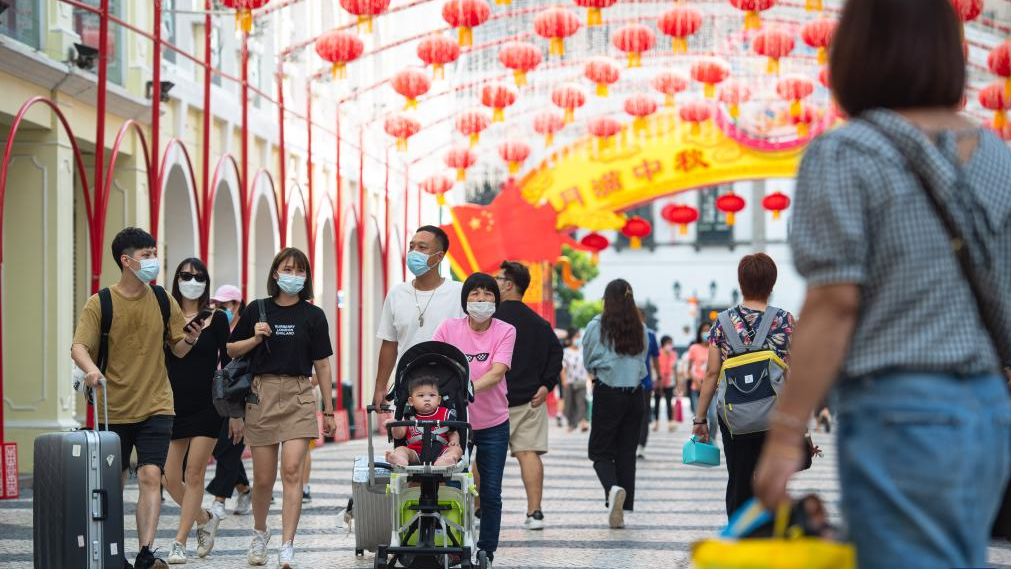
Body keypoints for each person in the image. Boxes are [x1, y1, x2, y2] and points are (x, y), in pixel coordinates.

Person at [753, 1, 1011, 567]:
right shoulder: (999, 157)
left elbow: (834, 304)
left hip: (899, 408)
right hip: (990, 410)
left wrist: (784, 435)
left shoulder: (847, 152)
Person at [70, 227, 200, 569]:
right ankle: (112, 550)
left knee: (150, 475)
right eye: (146, 255)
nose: (153, 260)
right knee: (113, 481)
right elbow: (79, 347)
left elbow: (178, 349)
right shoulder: (101, 303)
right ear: (126, 261)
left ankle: (145, 553)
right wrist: (91, 370)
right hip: (113, 409)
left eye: (154, 253)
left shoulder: (161, 299)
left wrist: (191, 338)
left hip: (157, 403)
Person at [227, 247, 337, 568]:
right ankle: (260, 533)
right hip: (261, 394)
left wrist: (329, 411)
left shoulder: (312, 315)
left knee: (291, 471)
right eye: (288, 269)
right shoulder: (256, 309)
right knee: (262, 479)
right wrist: (255, 339)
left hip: (300, 394)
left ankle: (287, 545)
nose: (293, 276)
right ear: (276, 273)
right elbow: (232, 349)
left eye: (300, 271)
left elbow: (323, 365)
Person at [693, 253, 795, 517]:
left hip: (733, 417)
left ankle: (740, 541)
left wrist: (700, 419)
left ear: (741, 284)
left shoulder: (722, 324)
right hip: (776, 416)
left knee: (738, 479)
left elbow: (711, 373)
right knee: (774, 482)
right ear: (772, 285)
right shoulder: (785, 321)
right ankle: (770, 539)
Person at [433, 273, 516, 568]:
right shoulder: (448, 328)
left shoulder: (505, 331)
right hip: (457, 424)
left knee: (490, 491)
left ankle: (485, 550)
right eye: (475, 294)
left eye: (488, 294)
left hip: (494, 422)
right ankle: (455, 544)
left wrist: (464, 388)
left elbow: (497, 371)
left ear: (496, 299)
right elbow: (436, 363)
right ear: (465, 300)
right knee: (453, 484)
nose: (481, 300)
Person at [162, 258, 233, 564]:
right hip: (171, 404)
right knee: (167, 476)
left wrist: (235, 411)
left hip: (207, 405)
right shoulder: (165, 314)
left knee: (194, 473)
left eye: (199, 276)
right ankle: (204, 518)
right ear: (176, 278)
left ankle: (179, 542)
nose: (192, 280)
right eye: (186, 275)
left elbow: (229, 363)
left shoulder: (217, 319)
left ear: (206, 281)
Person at [492, 261, 562, 531]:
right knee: (528, 453)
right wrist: (546, 385)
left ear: (509, 284)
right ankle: (535, 513)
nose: (494, 284)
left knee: (485, 455)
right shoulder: (539, 324)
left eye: (498, 279)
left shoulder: (490, 320)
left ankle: (477, 511)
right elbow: (556, 353)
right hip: (530, 400)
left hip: (492, 400)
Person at [373, 226, 465, 412]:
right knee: (408, 441)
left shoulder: (459, 293)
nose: (414, 252)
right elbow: (389, 344)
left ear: (439, 256)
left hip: (450, 384)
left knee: (450, 439)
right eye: (411, 246)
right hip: (409, 386)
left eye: (422, 247)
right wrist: (380, 387)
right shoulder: (397, 293)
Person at [581, 279, 648, 529]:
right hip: (635, 395)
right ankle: (620, 508)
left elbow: (588, 360)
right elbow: (643, 365)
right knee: (625, 453)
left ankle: (612, 490)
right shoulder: (639, 327)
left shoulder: (596, 326)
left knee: (599, 451)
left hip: (608, 393)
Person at [206, 285, 252, 518]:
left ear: (236, 305)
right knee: (221, 446)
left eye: (224, 306)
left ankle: (219, 500)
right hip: (215, 394)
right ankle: (244, 489)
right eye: (216, 305)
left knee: (231, 445)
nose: (219, 309)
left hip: (239, 395)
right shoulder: (214, 324)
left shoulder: (245, 328)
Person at [384, 376, 464, 467]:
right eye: (421, 395)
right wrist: (395, 425)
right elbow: (399, 435)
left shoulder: (445, 413)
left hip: (441, 450)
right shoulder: (409, 416)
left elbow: (452, 431)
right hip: (415, 452)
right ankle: (400, 458)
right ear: (411, 401)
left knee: (457, 449)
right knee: (401, 449)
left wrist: (454, 441)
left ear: (439, 400)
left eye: (432, 395)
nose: (427, 399)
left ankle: (446, 460)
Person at [684, 322, 717, 439]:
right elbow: (688, 369)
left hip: (712, 388)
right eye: (704, 330)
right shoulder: (694, 348)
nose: (706, 332)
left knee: (713, 416)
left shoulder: (715, 347)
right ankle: (699, 440)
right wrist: (695, 380)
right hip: (696, 388)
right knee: (699, 417)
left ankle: (711, 439)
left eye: (708, 330)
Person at [636, 312, 660, 459]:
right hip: (628, 381)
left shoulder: (650, 335)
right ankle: (633, 444)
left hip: (644, 381)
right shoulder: (625, 331)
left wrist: (659, 376)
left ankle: (641, 445)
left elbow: (655, 357)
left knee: (643, 415)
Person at [561, 330, 589, 433]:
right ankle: (571, 423)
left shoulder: (583, 351)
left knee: (581, 402)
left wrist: (591, 380)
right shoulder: (566, 351)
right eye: (575, 337)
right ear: (571, 339)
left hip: (582, 381)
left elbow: (587, 366)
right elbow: (563, 368)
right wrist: (564, 380)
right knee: (569, 403)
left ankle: (583, 422)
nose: (577, 339)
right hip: (569, 381)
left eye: (579, 337)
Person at [652, 336, 678, 432]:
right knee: (657, 402)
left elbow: (674, 369)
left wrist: (677, 383)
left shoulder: (674, 354)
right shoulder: (658, 353)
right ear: (663, 343)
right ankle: (656, 422)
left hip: (670, 382)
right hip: (658, 382)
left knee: (668, 402)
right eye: (668, 343)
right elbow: (654, 367)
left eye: (671, 343)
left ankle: (670, 423)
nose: (670, 345)